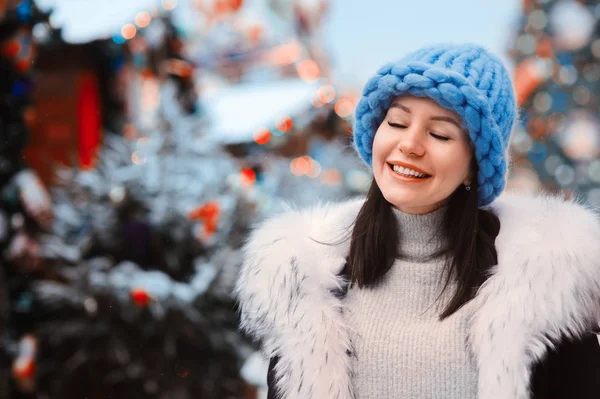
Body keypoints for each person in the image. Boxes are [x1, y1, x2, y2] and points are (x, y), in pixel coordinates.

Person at [234, 43, 600, 399]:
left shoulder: (547, 296)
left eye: (440, 133)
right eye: (397, 122)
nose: (410, 144)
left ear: (475, 166)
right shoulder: (306, 286)